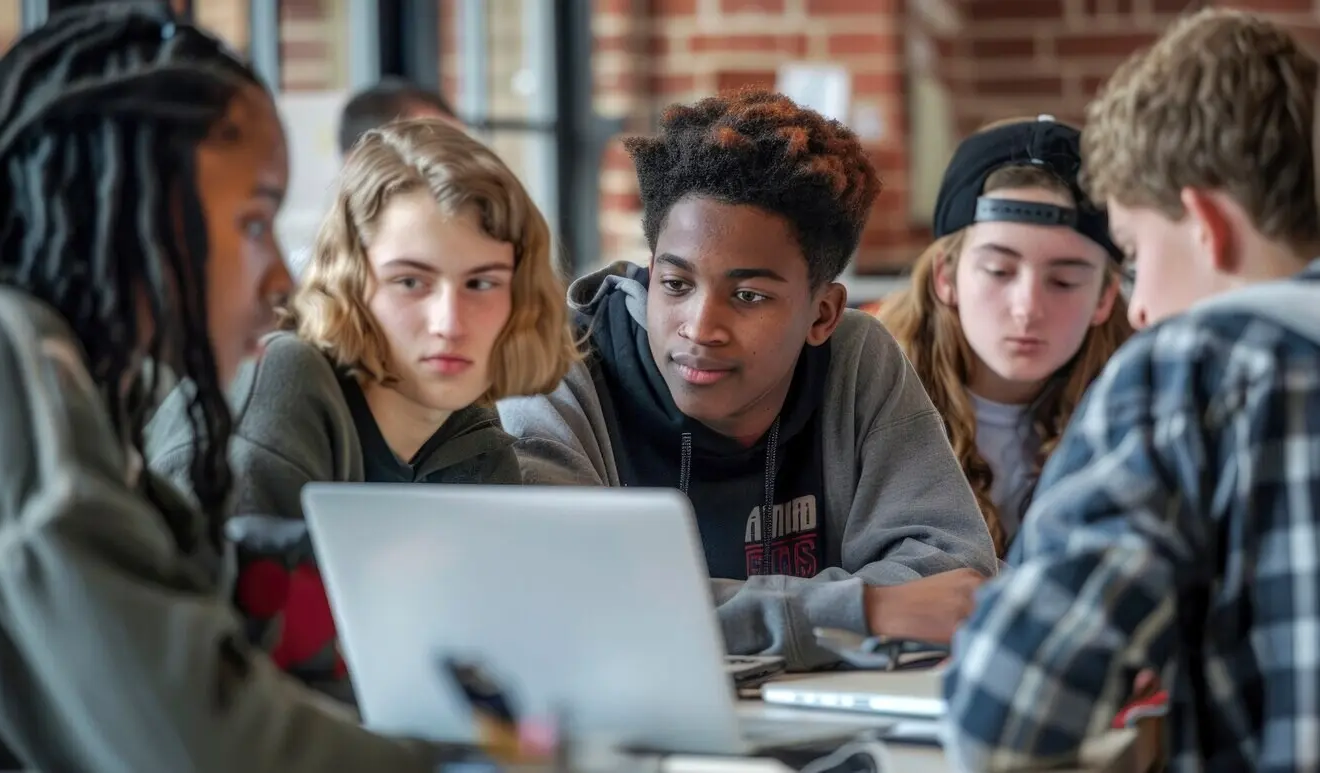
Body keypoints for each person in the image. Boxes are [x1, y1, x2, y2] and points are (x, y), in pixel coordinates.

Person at [0, 7, 438, 772]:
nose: (278, 274)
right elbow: (196, 741)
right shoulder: (2, 353)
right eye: (253, 221)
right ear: (134, 203)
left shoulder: (85, 375)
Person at [498, 89, 998, 670]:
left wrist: (706, 617)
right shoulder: (559, 368)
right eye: (676, 285)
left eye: (748, 295)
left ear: (822, 315)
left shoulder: (857, 358)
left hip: (825, 720)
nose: (700, 327)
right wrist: (865, 610)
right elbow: (573, 602)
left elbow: (950, 578)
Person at [941, 9, 1320, 771]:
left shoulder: (1194, 366)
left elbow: (1002, 713)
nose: (1141, 305)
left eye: (1136, 253)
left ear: (1206, 225)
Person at [145, 117, 578, 701]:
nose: (449, 324)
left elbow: (483, 667)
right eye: (410, 283)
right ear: (354, 285)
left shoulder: (468, 430)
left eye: (481, 284)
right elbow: (225, 686)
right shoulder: (285, 381)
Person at [878, 117, 1132, 557]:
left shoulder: (1137, 405)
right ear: (946, 276)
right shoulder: (868, 397)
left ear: (1105, 297)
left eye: (1065, 281)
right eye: (999, 271)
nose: (1027, 307)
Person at [286, 79, 465, 279]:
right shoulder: (311, 281)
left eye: (465, 155)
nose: (462, 173)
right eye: (435, 154)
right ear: (361, 162)